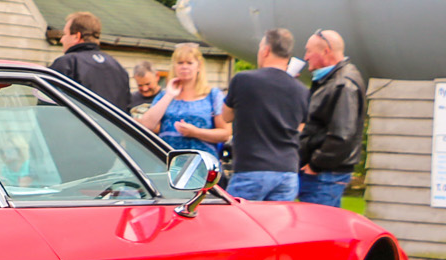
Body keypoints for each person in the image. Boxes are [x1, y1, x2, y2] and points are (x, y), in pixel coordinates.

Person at [221, 28, 308, 201]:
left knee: (240, 224)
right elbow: (300, 127)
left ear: (266, 50)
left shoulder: (243, 80)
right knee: (274, 227)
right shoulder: (302, 90)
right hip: (287, 171)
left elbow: (226, 116)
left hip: (252, 168)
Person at [298, 28, 367, 207]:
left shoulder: (342, 85)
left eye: (309, 51)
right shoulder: (330, 81)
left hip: (325, 174)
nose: (305, 57)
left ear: (325, 51)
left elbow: (342, 136)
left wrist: (315, 165)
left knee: (319, 227)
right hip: (324, 172)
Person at [138, 44, 230, 155]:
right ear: (174, 66)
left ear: (199, 66)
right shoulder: (164, 95)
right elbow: (146, 125)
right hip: (169, 162)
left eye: (189, 63)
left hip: (201, 163)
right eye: (180, 63)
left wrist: (196, 132)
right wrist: (169, 95)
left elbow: (225, 134)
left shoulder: (213, 95)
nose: (184, 67)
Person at [48, 12, 130, 110]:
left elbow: (48, 107)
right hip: (110, 125)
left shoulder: (67, 63)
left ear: (77, 36)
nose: (61, 40)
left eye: (65, 34)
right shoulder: (118, 67)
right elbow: (126, 110)